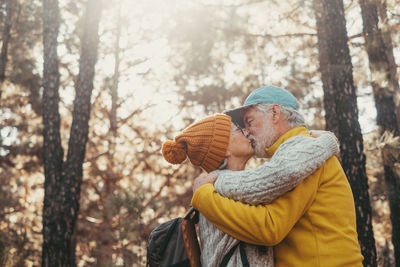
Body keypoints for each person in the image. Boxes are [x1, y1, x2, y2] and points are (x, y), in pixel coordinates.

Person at [191, 85, 364, 266]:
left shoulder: (302, 154)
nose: (248, 131)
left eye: (250, 122)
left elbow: (270, 227)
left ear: (274, 113)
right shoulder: (298, 151)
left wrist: (203, 195)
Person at [162, 112, 339, 266]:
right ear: (224, 149)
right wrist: (328, 142)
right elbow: (282, 173)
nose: (246, 131)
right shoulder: (222, 184)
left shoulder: (226, 183)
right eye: (239, 130)